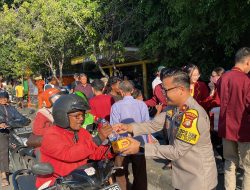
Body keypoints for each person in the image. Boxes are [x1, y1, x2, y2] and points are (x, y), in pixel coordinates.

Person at [113, 68, 217, 190]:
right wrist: (129, 127)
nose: (162, 94)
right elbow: (154, 124)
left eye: (165, 90)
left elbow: (176, 151)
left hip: (197, 181)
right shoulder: (174, 108)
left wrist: (141, 147)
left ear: (181, 90)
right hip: (183, 178)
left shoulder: (192, 114)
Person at [36, 94, 113, 189]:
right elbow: (69, 154)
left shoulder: (82, 132)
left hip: (81, 182)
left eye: (83, 115)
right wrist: (98, 139)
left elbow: (93, 153)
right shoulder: (51, 135)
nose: (81, 119)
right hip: (55, 184)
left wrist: (112, 149)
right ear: (62, 116)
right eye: (77, 116)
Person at [217, 47, 250, 190]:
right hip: (243, 129)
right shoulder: (246, 80)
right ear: (247, 62)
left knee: (229, 163)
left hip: (226, 127)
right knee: (248, 166)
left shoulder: (223, 77)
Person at [110, 80, 149, 190]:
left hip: (122, 143)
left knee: (121, 172)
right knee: (140, 173)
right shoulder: (142, 104)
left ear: (121, 92)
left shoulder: (116, 106)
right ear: (132, 90)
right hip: (139, 142)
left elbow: (114, 127)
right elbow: (147, 125)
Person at [0, 91, 30, 187]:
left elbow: (20, 117)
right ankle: (4, 175)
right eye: (1, 98)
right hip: (2, 132)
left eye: (5, 98)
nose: (3, 100)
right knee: (3, 150)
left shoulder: (11, 108)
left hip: (13, 130)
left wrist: (26, 120)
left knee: (25, 144)